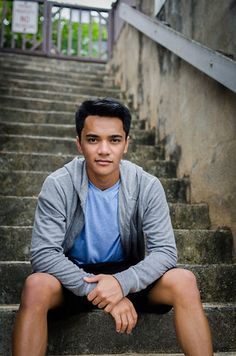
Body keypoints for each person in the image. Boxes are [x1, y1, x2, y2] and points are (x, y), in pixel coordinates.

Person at [12, 98, 213, 356]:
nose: (104, 150)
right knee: (35, 286)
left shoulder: (147, 186)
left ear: (126, 144)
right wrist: (102, 291)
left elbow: (165, 252)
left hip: (128, 274)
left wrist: (120, 283)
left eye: (114, 140)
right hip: (74, 276)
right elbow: (43, 254)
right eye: (93, 139)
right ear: (79, 143)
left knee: (184, 281)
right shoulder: (58, 184)